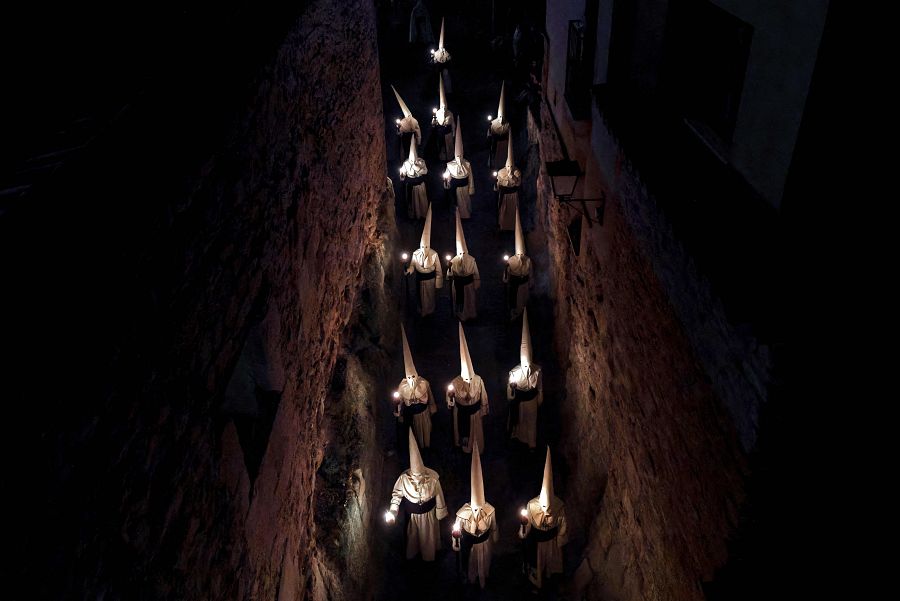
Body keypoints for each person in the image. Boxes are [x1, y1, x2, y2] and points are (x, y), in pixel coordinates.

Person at [386, 430, 449, 561]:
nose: (417, 480)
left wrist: (440, 512)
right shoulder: (404, 479)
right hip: (412, 516)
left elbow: (439, 495)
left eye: (420, 476)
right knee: (413, 536)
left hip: (429, 515)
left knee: (428, 537)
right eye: (415, 477)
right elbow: (397, 495)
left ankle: (429, 558)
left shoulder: (432, 478)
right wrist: (393, 510)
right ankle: (413, 556)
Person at [519, 448, 568, 589]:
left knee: (551, 563)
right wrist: (523, 530)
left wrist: (560, 539)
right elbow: (527, 525)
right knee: (537, 564)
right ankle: (536, 583)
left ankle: (551, 579)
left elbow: (563, 525)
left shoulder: (559, 506)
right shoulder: (532, 505)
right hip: (537, 542)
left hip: (552, 541)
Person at [452, 441, 498, 587]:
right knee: (471, 563)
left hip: (485, 543)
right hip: (470, 546)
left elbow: (494, 526)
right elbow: (456, 530)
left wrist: (494, 537)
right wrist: (456, 541)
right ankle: (471, 579)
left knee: (485, 561)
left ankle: (484, 578)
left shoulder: (490, 511)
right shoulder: (462, 514)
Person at [446, 323, 489, 454]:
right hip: (461, 413)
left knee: (475, 434)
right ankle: (463, 449)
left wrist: (483, 410)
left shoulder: (478, 380)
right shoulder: (455, 382)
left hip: (474, 413)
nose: (469, 383)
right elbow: (450, 402)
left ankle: (476, 449)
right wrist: (452, 398)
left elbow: (483, 397)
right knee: (463, 433)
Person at [393, 323, 437, 448]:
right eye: (409, 377)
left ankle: (427, 448)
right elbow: (399, 402)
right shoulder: (402, 387)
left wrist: (432, 408)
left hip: (423, 415)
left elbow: (431, 398)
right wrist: (398, 412)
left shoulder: (423, 383)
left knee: (426, 433)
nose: (411, 379)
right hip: (411, 416)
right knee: (414, 436)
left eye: (413, 377)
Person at [507, 308, 542, 449]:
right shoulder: (514, 372)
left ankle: (531, 444)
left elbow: (540, 388)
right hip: (520, 402)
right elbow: (509, 391)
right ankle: (520, 439)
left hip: (532, 402)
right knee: (520, 422)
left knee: (532, 423)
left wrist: (539, 401)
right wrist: (512, 391)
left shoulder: (538, 370)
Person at [406, 204, 443, 316]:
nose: (424, 249)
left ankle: (430, 310)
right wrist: (409, 270)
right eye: (422, 247)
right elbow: (412, 265)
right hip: (420, 279)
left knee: (429, 296)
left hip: (430, 280)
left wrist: (438, 282)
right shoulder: (416, 253)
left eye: (426, 247)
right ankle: (422, 310)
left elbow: (439, 270)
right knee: (420, 295)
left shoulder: (434, 254)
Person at [447, 208, 480, 321]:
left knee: (469, 300)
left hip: (468, 285)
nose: (462, 255)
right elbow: (449, 275)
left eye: (463, 253)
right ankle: (460, 315)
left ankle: (470, 314)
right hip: (458, 285)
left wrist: (476, 283)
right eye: (460, 253)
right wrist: (449, 267)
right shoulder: (454, 260)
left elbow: (475, 273)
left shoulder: (471, 260)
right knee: (459, 300)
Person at [502, 205, 531, 318]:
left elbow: (531, 274)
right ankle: (514, 314)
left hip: (524, 286)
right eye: (519, 255)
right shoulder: (511, 261)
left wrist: (530, 283)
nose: (520, 258)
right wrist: (506, 269)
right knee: (514, 301)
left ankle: (523, 314)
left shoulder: (528, 261)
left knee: (523, 301)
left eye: (522, 255)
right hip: (514, 285)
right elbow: (506, 277)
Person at [443, 119, 474, 218]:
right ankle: (456, 216)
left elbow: (470, 178)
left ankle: (466, 215)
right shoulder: (450, 165)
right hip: (455, 187)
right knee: (455, 202)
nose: (459, 159)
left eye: (460, 157)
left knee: (465, 202)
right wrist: (446, 181)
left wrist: (471, 188)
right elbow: (447, 176)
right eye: (457, 157)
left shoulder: (467, 164)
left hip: (464, 187)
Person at [494, 124, 521, 231]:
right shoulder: (501, 172)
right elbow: (499, 183)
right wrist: (497, 184)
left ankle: (513, 226)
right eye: (508, 166)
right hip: (504, 195)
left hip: (513, 195)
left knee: (513, 211)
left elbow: (518, 183)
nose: (510, 168)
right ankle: (503, 225)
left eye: (511, 166)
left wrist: (513, 177)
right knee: (503, 210)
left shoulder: (517, 172)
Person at [427, 75, 455, 162]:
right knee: (441, 145)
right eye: (442, 106)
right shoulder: (438, 112)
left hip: (448, 133)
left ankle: (449, 157)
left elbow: (453, 124)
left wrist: (453, 133)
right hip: (440, 132)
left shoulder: (450, 113)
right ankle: (441, 157)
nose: (443, 108)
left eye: (444, 107)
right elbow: (433, 124)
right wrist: (434, 119)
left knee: (449, 145)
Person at [399, 139, 429, 219]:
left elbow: (425, 171)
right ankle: (413, 216)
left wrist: (417, 168)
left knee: (421, 201)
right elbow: (403, 173)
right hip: (411, 186)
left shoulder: (421, 162)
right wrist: (402, 176)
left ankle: (423, 215)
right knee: (412, 202)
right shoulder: (406, 163)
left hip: (419, 185)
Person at [391, 85, 421, 160]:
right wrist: (398, 129)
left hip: (412, 137)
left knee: (413, 152)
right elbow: (399, 133)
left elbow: (417, 131)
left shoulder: (414, 121)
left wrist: (418, 140)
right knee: (406, 151)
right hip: (406, 138)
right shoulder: (403, 121)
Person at [486, 82, 510, 169]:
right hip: (495, 143)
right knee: (494, 154)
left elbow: (508, 136)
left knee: (502, 157)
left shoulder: (508, 125)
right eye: (500, 116)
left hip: (503, 144)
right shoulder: (493, 123)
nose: (501, 119)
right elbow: (489, 133)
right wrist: (489, 137)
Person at [430, 17, 452, 94]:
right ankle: (439, 90)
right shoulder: (436, 53)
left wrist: (446, 58)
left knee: (446, 77)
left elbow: (449, 59)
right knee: (438, 79)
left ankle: (448, 91)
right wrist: (434, 59)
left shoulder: (447, 53)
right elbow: (433, 61)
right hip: (438, 69)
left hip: (445, 69)